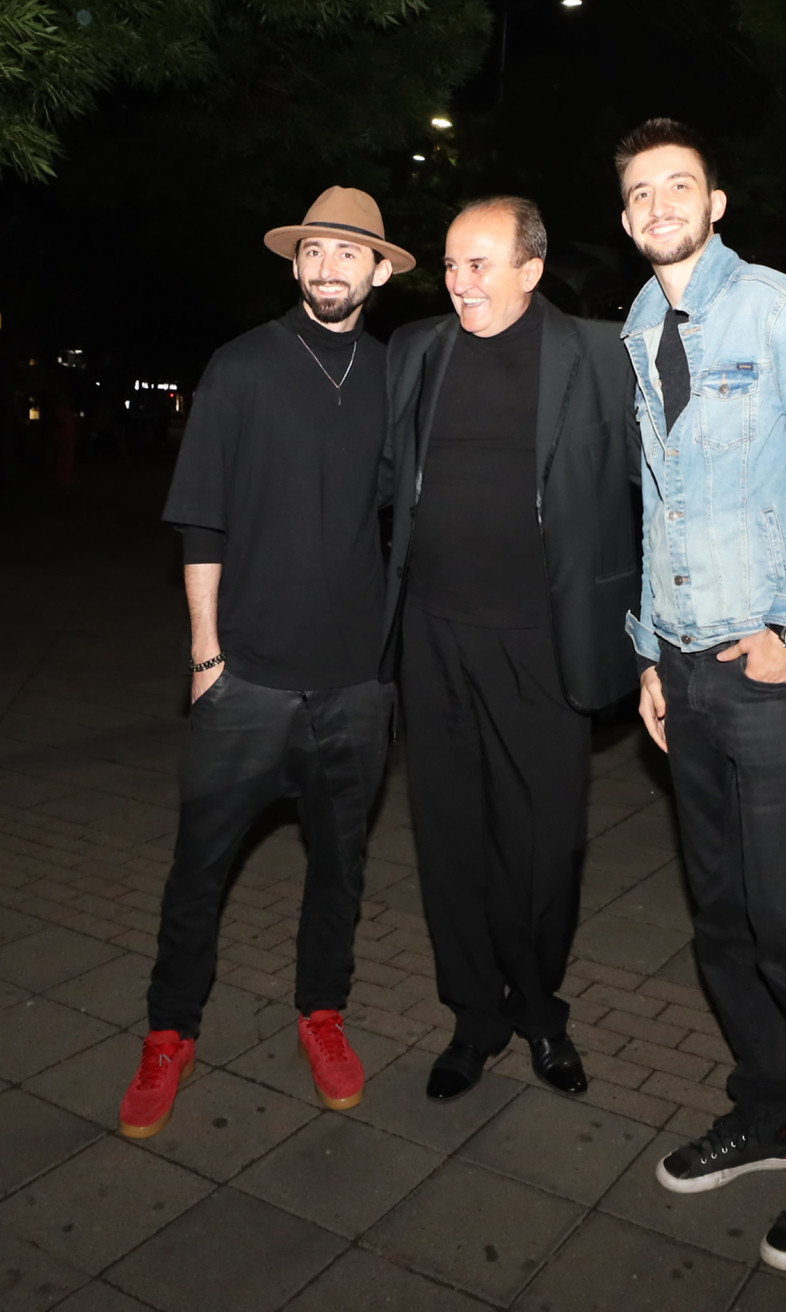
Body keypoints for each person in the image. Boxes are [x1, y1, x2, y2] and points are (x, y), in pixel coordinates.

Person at [616, 118, 786, 1273]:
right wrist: (646, 650)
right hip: (681, 667)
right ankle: (766, 1114)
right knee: (720, 919)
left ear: (714, 202)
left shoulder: (780, 310)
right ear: (625, 216)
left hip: (768, 668)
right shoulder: (639, 326)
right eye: (640, 192)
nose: (660, 204)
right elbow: (657, 497)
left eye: (679, 184)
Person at [118, 187, 415, 1138]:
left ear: (378, 271)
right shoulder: (241, 365)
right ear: (296, 264)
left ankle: (322, 1015)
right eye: (314, 251)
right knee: (198, 870)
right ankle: (170, 1032)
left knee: (341, 869)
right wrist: (206, 655)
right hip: (243, 674)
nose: (329, 267)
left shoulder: (394, 376)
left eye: (349, 253)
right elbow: (201, 517)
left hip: (357, 681)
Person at [382, 196, 639, 1102]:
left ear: (531, 269)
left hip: (544, 641)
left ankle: (538, 1010)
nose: (459, 283)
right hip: (433, 635)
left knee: (545, 845)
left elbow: (659, 485)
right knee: (449, 837)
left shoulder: (603, 355)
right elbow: (377, 474)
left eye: (479, 264)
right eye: (451, 265)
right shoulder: (417, 349)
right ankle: (473, 1020)